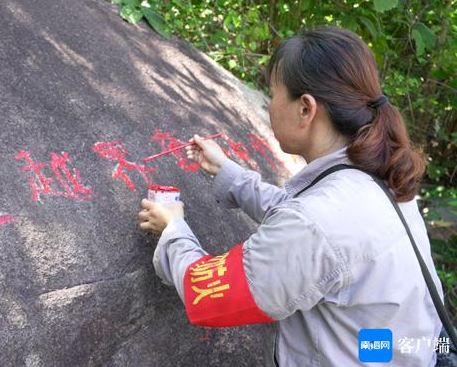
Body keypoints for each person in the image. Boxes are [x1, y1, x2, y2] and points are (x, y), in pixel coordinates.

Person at [137, 27, 444, 366]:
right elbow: (310, 232)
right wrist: (227, 172)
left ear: (305, 109)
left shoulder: (318, 222)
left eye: (273, 93)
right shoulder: (376, 178)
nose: (269, 104)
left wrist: (173, 228)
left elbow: (208, 297)